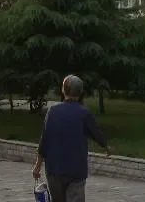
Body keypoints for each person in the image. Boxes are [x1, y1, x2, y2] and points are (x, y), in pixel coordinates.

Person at [32, 74, 110, 202]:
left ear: (63, 90)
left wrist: (37, 166)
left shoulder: (53, 111)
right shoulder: (84, 113)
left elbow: (44, 140)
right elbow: (95, 132)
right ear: (80, 92)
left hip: (55, 169)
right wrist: (105, 146)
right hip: (76, 169)